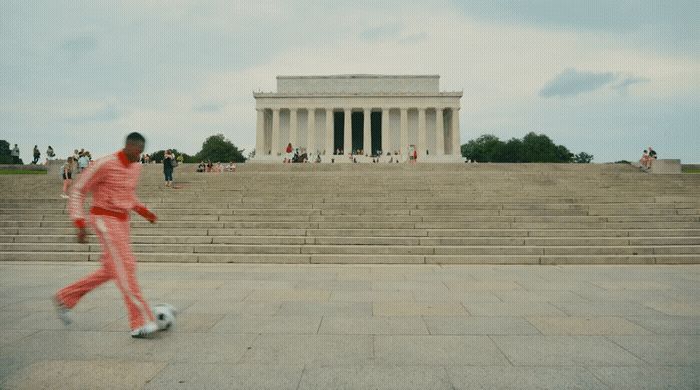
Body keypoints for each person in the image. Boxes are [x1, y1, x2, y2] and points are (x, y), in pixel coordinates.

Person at [53, 132, 160, 338]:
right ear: (128, 146)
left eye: (141, 153)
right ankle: (141, 322)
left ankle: (65, 298)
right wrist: (79, 221)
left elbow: (128, 195)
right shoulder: (105, 164)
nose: (139, 157)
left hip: (122, 221)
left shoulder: (136, 167)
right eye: (137, 152)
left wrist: (145, 212)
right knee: (126, 265)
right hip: (103, 218)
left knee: (112, 269)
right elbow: (78, 190)